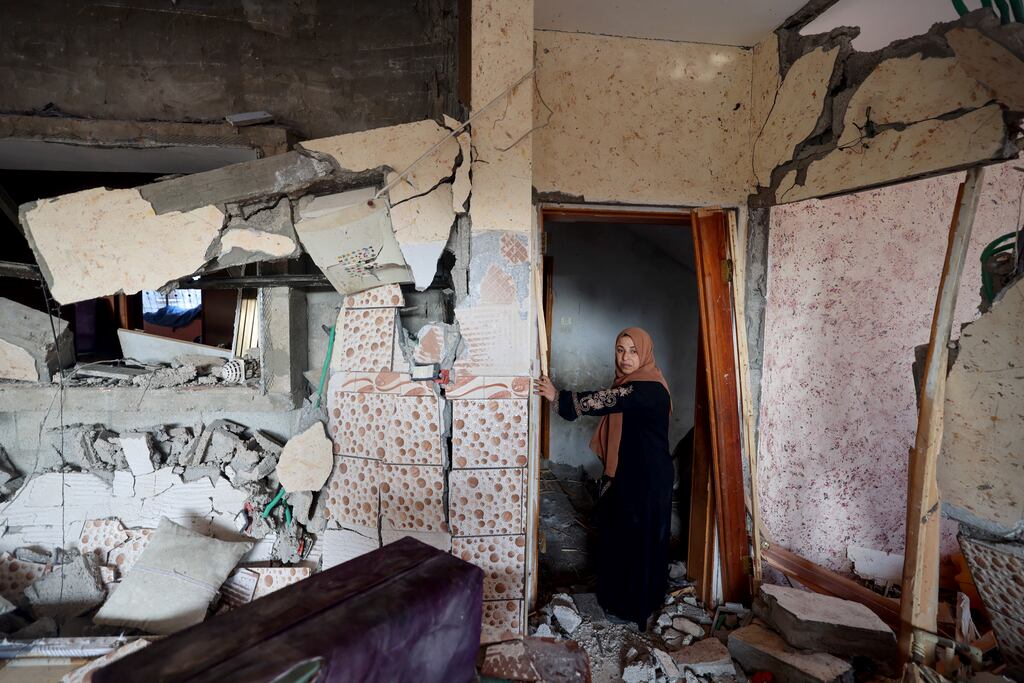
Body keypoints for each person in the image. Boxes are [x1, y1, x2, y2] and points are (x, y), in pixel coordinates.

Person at [534, 327, 672, 629]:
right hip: (631, 473)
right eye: (620, 350)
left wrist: (559, 397)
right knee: (620, 534)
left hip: (647, 479)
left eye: (633, 351)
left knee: (637, 540)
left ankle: (633, 607)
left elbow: (605, 400)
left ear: (645, 353)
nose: (625, 357)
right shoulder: (629, 384)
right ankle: (618, 598)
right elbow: (614, 399)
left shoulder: (647, 388)